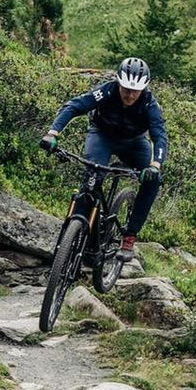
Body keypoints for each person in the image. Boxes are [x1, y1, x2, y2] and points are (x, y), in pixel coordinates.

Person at [40, 57, 167, 259]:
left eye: (135, 91)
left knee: (154, 181)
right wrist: (52, 133)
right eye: (126, 89)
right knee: (92, 178)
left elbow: (159, 136)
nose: (130, 95)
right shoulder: (106, 91)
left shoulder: (150, 104)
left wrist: (155, 165)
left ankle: (130, 236)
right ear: (118, 83)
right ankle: (77, 231)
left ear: (144, 88)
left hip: (134, 143)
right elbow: (74, 107)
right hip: (102, 136)